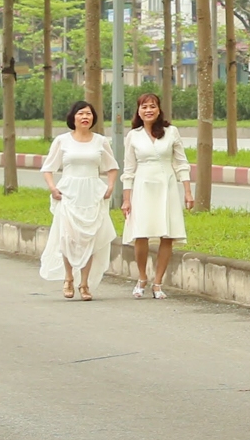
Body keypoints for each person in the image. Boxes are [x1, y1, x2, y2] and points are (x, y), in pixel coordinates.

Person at [40, 101, 119, 301]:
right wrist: (53, 188)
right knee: (68, 237)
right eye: (81, 113)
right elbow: (48, 168)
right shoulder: (62, 141)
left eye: (89, 114)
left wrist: (110, 186)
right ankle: (68, 278)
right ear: (73, 117)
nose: (85, 117)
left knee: (88, 237)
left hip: (92, 193)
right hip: (68, 193)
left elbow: (112, 167)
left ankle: (84, 284)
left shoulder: (100, 141)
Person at [121, 92, 190, 299]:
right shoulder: (133, 136)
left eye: (152, 106)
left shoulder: (171, 132)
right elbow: (129, 169)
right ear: (138, 111)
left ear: (159, 110)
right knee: (140, 233)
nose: (148, 110)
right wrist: (126, 199)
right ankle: (142, 277)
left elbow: (181, 163)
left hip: (166, 186)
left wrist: (187, 191)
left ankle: (158, 282)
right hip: (142, 186)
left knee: (166, 234)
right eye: (144, 107)